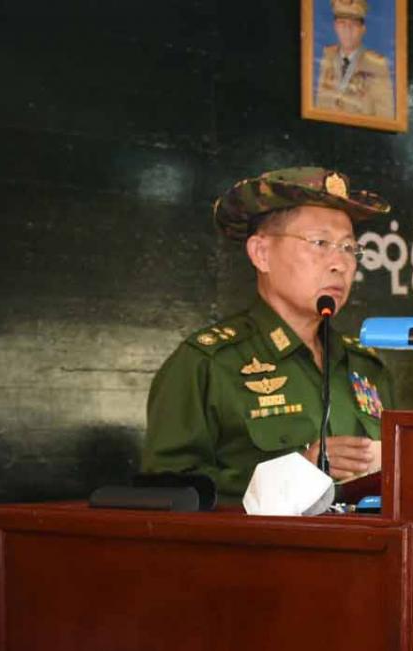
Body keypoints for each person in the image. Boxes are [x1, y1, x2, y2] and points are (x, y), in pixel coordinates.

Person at [142, 167, 396, 501]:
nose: (340, 264)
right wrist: (297, 474)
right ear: (261, 253)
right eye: (320, 243)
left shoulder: (366, 367)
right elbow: (166, 493)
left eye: (349, 248)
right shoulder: (208, 363)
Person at [314, 0, 395, 120]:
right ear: (335, 26)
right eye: (342, 23)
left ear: (363, 29)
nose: (347, 29)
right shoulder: (328, 56)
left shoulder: (377, 64)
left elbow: (386, 117)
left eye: (354, 24)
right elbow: (319, 105)